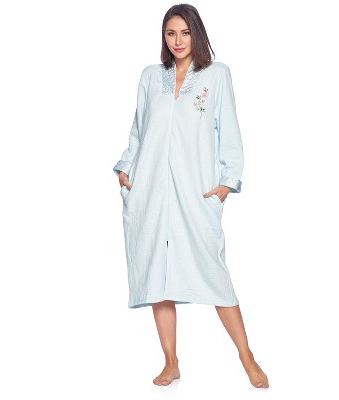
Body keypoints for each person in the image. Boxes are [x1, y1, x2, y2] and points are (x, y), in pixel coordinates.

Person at [113, 3, 269, 389]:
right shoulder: (151, 76)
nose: (178, 40)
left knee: (214, 273)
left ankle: (247, 356)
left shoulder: (216, 75)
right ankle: (171, 362)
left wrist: (227, 183)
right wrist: (126, 169)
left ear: (196, 34)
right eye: (171, 33)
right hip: (149, 189)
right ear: (164, 37)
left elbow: (229, 130)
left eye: (184, 32)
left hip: (195, 191)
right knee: (157, 275)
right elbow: (139, 129)